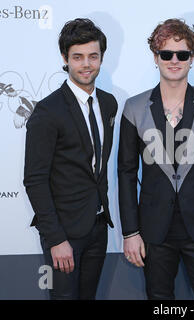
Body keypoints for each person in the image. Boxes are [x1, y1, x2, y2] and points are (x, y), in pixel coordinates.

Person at [118, 18, 194, 300]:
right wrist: (130, 232)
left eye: (182, 54)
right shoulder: (134, 107)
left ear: (192, 58)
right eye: (166, 54)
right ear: (155, 57)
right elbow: (126, 174)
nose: (174, 60)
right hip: (153, 232)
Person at [24, 18, 118, 300]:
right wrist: (55, 239)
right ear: (65, 59)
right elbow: (35, 180)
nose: (86, 64)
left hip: (98, 227)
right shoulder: (47, 111)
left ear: (101, 57)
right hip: (63, 233)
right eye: (78, 57)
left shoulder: (110, 103)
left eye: (93, 56)